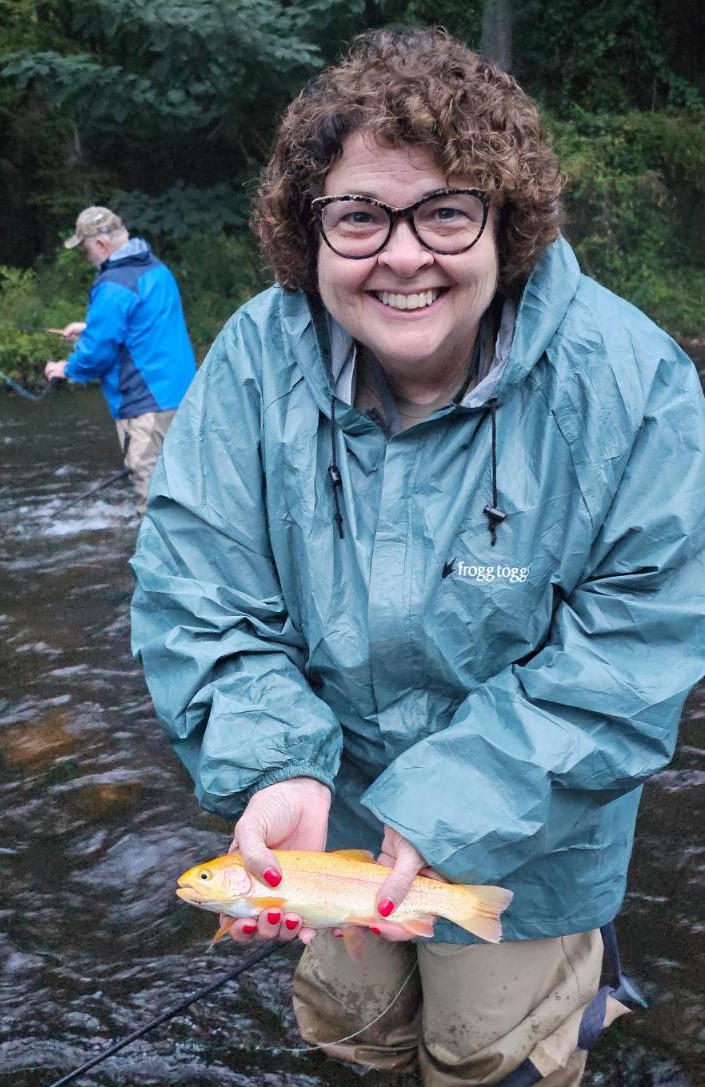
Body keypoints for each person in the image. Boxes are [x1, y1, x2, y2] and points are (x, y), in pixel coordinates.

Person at [130, 27, 705, 1086]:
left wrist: (453, 808)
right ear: (310, 232)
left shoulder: (637, 385)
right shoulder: (254, 361)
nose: (402, 254)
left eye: (446, 210)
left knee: (487, 1055)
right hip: (324, 824)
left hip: (536, 835)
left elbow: (640, 646)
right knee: (354, 1037)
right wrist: (273, 768)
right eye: (359, 215)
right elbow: (199, 591)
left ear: (508, 223)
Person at [44, 206, 197, 513]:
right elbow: (144, 326)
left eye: (86, 248)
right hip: (184, 399)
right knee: (188, 491)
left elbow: (96, 352)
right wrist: (89, 328)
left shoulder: (113, 285)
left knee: (154, 502)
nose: (87, 257)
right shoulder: (157, 269)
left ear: (100, 244)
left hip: (144, 406)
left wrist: (66, 369)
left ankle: (164, 561)